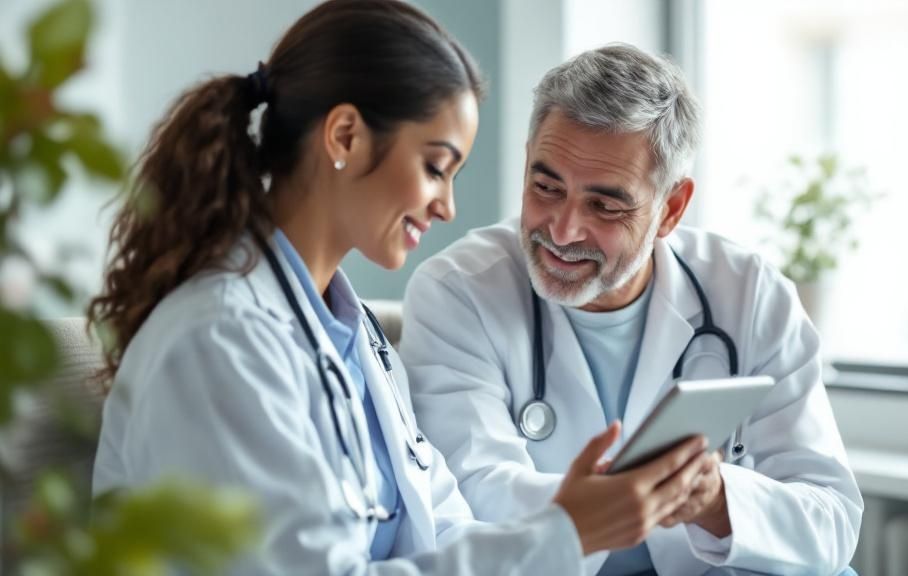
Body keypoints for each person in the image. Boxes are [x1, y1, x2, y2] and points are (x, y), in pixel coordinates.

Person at [86, 4, 711, 575]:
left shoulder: (353, 337)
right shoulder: (221, 338)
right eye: (436, 167)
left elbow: (442, 528)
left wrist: (569, 526)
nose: (447, 206)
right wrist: (565, 533)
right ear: (346, 138)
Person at [400, 43, 864, 576]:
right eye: (545, 186)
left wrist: (716, 501)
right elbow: (472, 501)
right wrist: (625, 501)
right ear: (527, 160)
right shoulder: (458, 291)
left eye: (604, 205)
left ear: (670, 209)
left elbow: (832, 520)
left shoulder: (749, 294)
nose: (562, 229)